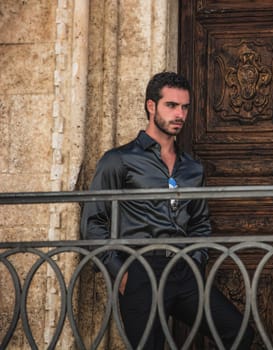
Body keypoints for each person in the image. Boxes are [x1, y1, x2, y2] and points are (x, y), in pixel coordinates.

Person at [81, 71, 254, 349]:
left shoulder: (192, 168)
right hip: (140, 270)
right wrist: (121, 273)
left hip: (183, 269)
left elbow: (200, 222)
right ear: (152, 106)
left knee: (239, 333)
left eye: (184, 107)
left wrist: (195, 260)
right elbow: (93, 222)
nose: (180, 114)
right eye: (171, 106)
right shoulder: (119, 160)